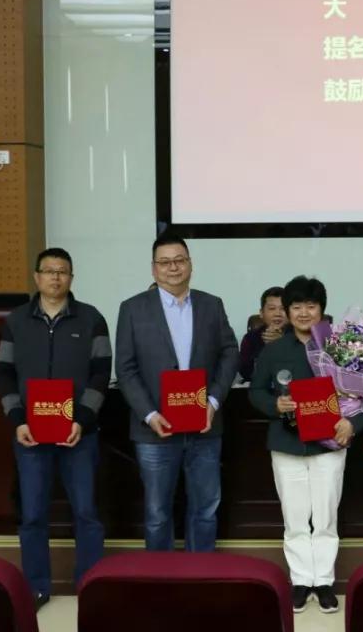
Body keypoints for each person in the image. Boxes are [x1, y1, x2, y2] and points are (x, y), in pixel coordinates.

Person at [0, 247, 110, 609]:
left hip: (79, 433)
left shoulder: (91, 318)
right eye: (49, 271)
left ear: (71, 278)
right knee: (32, 515)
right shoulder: (16, 321)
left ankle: (89, 585)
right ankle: (36, 587)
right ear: (37, 277)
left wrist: (83, 419)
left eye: (63, 271)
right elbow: (4, 373)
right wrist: (17, 420)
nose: (56, 277)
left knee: (86, 513)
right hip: (30, 434)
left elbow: (101, 372)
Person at [115, 233, 239, 552]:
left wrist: (213, 401)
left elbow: (229, 353)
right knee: (157, 513)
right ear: (153, 269)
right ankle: (160, 576)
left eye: (179, 260)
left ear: (190, 264)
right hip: (155, 430)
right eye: (165, 262)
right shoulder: (132, 309)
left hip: (205, 426)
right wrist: (149, 414)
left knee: (206, 509)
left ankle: (201, 573)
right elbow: (125, 369)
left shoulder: (212, 305)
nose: (173, 268)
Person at [249, 276, 361, 614]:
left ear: (322, 310)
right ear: (286, 311)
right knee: (295, 516)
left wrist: (352, 424)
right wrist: (275, 404)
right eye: (296, 306)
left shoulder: (340, 348)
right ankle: (300, 581)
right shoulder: (274, 350)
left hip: (330, 443)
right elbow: (256, 391)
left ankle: (323, 581)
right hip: (287, 444)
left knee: (325, 516)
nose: (303, 313)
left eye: (310, 306)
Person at [238, 286, 286, 381]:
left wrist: (282, 344)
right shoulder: (250, 338)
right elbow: (246, 372)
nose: (278, 314)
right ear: (261, 313)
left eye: (283, 309)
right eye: (272, 308)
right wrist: (269, 348)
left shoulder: (298, 336)